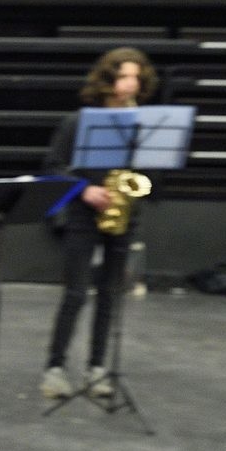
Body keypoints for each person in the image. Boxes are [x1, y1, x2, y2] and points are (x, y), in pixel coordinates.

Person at [39, 47, 158, 400]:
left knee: (109, 294)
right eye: (124, 76)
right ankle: (55, 368)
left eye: (136, 77)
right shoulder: (80, 121)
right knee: (76, 293)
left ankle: (97, 367)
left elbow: (150, 177)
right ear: (107, 80)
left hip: (124, 215)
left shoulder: (143, 126)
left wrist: (136, 186)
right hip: (83, 215)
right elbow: (52, 166)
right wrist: (84, 189)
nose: (131, 84)